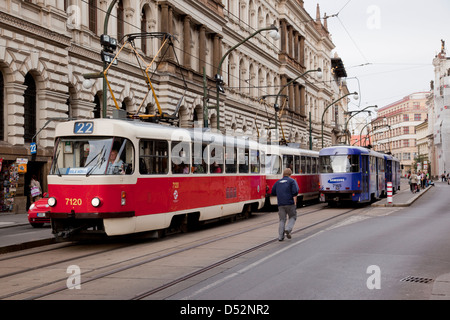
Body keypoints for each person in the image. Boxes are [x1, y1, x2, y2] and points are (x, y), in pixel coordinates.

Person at [271, 168, 299, 241]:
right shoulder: (292, 181)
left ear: (283, 174)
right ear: (290, 174)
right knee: (293, 216)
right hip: (290, 203)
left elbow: (273, 192)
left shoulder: (278, 182)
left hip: (281, 204)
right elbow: (295, 191)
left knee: (282, 220)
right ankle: (288, 229)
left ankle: (280, 236)